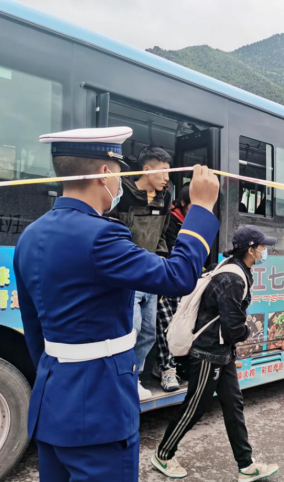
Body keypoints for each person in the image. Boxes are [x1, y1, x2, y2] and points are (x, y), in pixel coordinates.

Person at [13, 127, 220, 482]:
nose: (120, 181)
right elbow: (179, 276)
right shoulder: (102, 235)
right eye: (119, 171)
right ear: (105, 173)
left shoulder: (30, 235)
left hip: (52, 399)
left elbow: (34, 329)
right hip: (100, 407)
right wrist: (200, 208)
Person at [153, 226, 279, 481]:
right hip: (208, 352)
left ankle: (246, 465)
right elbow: (233, 328)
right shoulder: (232, 278)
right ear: (250, 249)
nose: (265, 250)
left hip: (221, 351)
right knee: (196, 406)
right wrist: (247, 331)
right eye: (262, 246)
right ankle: (163, 455)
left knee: (233, 404)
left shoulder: (236, 269)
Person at [111, 145, 174, 400]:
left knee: (148, 332)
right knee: (132, 328)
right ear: (147, 169)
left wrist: (162, 264)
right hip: (126, 273)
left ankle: (134, 376)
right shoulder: (121, 193)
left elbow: (162, 234)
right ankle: (124, 378)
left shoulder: (165, 198)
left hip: (150, 274)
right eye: (163, 171)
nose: (167, 178)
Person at [154, 184, 192, 393]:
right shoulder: (171, 221)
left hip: (182, 281)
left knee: (181, 325)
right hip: (166, 279)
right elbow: (171, 254)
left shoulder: (191, 223)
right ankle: (167, 369)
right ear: (183, 203)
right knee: (167, 325)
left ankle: (168, 365)